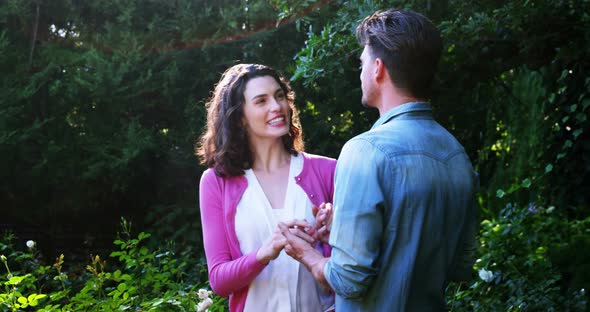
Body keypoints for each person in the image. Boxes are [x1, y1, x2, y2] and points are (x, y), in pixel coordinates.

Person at [279, 9, 478, 311]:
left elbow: (348, 280)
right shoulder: (457, 155)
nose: (360, 73)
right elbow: (460, 267)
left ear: (378, 69)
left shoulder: (365, 151)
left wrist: (306, 253)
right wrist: (344, 231)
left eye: (362, 64)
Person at [197, 63, 336, 312]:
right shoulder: (215, 182)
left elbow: (352, 266)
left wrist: (335, 233)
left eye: (280, 96)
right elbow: (219, 280)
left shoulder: (328, 171)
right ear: (239, 117)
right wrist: (267, 251)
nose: (277, 107)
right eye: (261, 101)